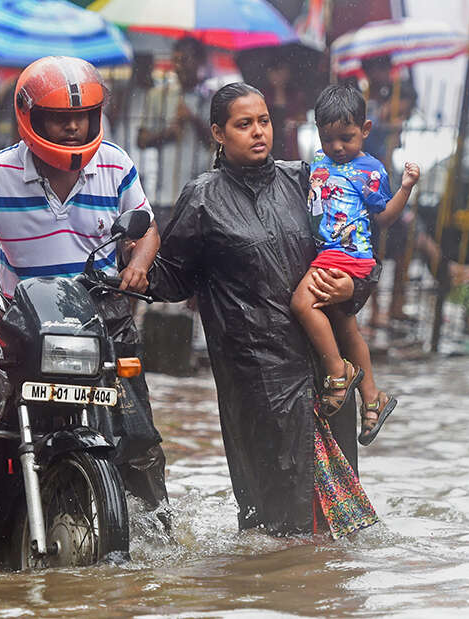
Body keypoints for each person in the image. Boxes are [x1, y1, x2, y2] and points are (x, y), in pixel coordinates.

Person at [0, 56, 170, 515]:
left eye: (82, 117)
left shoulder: (115, 164)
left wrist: (138, 264)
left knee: (137, 435)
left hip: (104, 321)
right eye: (61, 119)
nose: (74, 129)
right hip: (26, 326)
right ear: (31, 118)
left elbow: (148, 229)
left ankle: (156, 529)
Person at [146, 82, 379, 537]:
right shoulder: (203, 199)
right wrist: (131, 259)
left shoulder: (307, 181)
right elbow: (170, 278)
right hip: (257, 383)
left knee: (337, 531)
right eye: (244, 124)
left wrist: (353, 284)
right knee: (273, 527)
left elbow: (358, 248)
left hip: (328, 374)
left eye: (264, 121)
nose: (258, 133)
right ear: (218, 132)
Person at [289, 84, 419, 446]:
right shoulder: (318, 161)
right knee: (347, 327)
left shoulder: (371, 170)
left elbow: (384, 219)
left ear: (365, 129)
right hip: (328, 253)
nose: (337, 147)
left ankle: (338, 370)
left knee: (302, 303)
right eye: (328, 139)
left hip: (347, 254)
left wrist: (406, 189)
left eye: (346, 138)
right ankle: (373, 397)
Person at [138, 37, 214, 231]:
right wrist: (168, 133)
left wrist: (193, 118)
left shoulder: (210, 97)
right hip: (163, 194)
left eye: (185, 60)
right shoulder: (158, 96)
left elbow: (215, 142)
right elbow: (141, 139)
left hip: (198, 196)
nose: (179, 67)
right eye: (176, 60)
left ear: (198, 62)